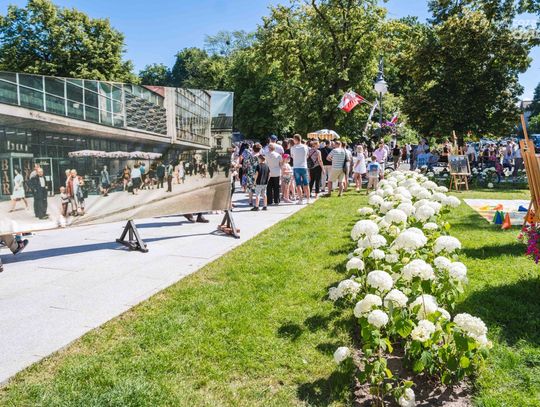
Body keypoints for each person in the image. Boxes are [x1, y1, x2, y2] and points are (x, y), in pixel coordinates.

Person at [290, 134, 310, 204]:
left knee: (298, 184)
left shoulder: (293, 148)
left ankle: (300, 200)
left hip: (296, 167)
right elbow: (307, 155)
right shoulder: (305, 146)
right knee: (306, 184)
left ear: (296, 139)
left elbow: (292, 156)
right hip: (304, 166)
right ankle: (308, 199)